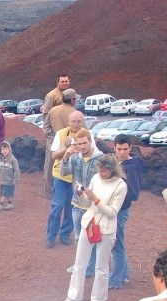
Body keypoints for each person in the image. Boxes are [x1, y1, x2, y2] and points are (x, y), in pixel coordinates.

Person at [61, 153, 127, 301]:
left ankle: (98, 298)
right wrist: (82, 194)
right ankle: (73, 295)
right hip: (89, 224)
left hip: (106, 228)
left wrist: (96, 199)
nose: (101, 173)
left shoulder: (121, 186)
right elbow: (86, 202)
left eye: (104, 170)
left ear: (112, 170)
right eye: (99, 169)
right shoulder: (96, 178)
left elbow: (112, 212)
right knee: (79, 263)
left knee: (101, 266)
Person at [97, 134, 143, 289]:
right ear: (114, 148)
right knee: (117, 243)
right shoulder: (116, 163)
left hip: (120, 210)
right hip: (113, 209)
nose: (122, 152)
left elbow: (134, 194)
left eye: (125, 149)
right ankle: (124, 275)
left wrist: (116, 196)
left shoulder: (131, 167)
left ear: (130, 148)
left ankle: (115, 281)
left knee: (116, 245)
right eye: (119, 149)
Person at [47, 111, 90, 248]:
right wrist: (66, 148)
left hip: (78, 179)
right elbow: (54, 155)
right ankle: (51, 236)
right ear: (69, 121)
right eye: (73, 121)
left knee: (73, 206)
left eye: (79, 121)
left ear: (82, 122)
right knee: (57, 205)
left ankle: (65, 234)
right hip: (60, 175)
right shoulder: (61, 134)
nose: (76, 124)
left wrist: (81, 150)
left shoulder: (87, 135)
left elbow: (91, 153)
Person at [59, 126, 103, 247]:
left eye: (84, 143)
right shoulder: (75, 158)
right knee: (78, 237)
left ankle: (91, 266)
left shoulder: (100, 158)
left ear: (90, 141)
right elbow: (63, 172)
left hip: (93, 206)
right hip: (77, 204)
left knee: (93, 238)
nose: (82, 146)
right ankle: (80, 266)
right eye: (79, 144)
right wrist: (66, 157)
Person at [42, 75, 73, 197]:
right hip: (54, 137)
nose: (64, 83)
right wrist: (52, 137)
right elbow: (46, 115)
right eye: (62, 81)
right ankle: (48, 193)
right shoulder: (51, 96)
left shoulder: (70, 95)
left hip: (68, 138)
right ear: (57, 82)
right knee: (50, 166)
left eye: (66, 81)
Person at [0, 141, 19, 211]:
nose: (5, 151)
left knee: (4, 194)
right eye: (3, 149)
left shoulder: (13, 160)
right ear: (1, 151)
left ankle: (0, 204)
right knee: (5, 192)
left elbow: (17, 171)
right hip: (3, 180)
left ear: (9, 149)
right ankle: (10, 203)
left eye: (6, 149)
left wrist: (16, 180)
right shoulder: (0, 159)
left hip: (10, 181)